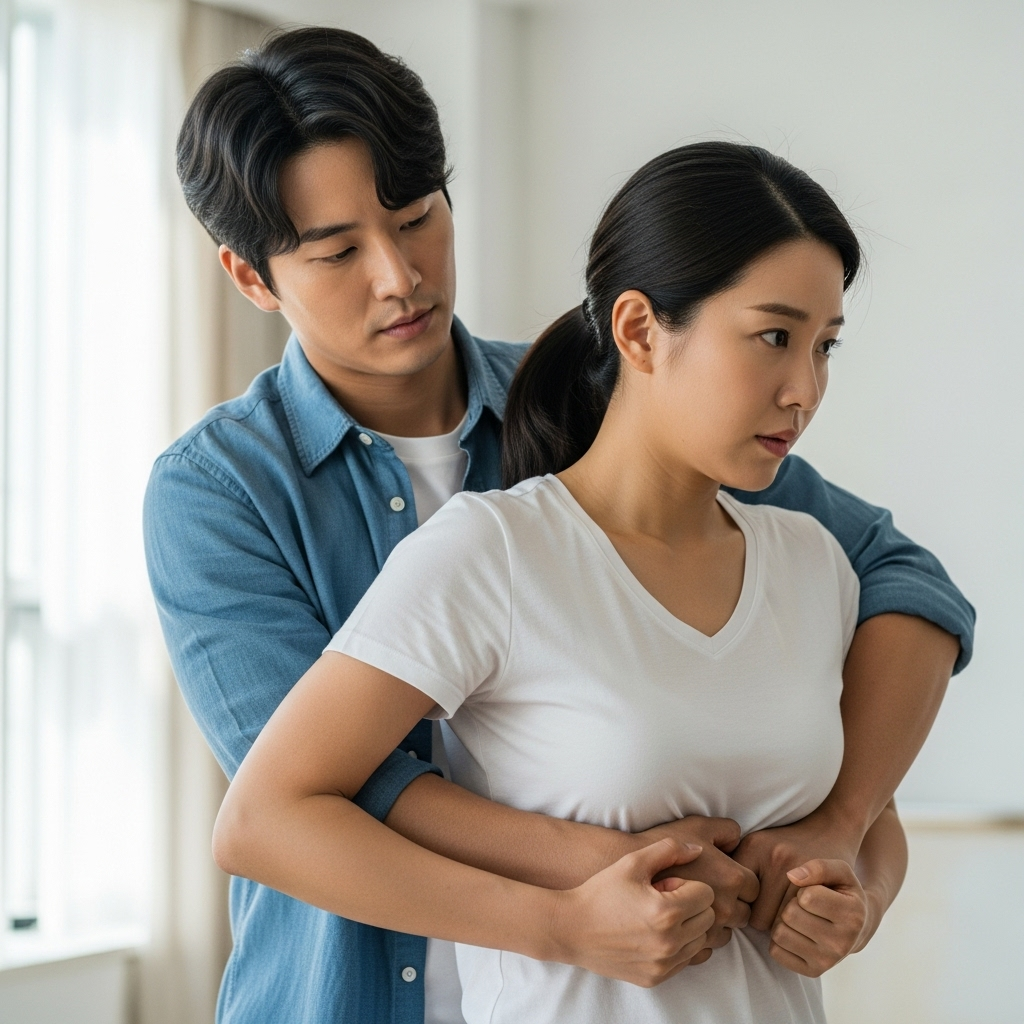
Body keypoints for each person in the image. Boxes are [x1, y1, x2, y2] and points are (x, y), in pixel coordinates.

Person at [144, 26, 972, 1024]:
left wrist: (843, 830)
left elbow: (900, 579)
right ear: (250, 278)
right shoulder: (219, 491)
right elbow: (324, 790)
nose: (399, 276)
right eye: (337, 252)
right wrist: (599, 883)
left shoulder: (598, 400)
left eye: (415, 219)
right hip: (354, 995)